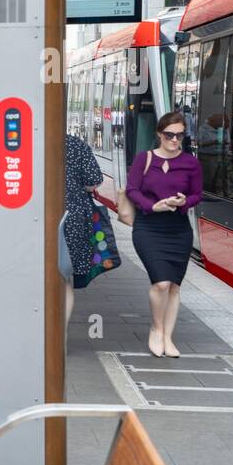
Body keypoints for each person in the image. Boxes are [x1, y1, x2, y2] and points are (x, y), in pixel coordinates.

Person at [125, 112, 202, 359]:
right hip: (149, 228)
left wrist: (183, 201)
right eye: (170, 135)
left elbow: (197, 195)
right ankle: (156, 329)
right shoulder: (143, 159)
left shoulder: (191, 163)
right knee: (161, 283)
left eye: (180, 135)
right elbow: (131, 190)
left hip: (178, 230)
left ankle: (168, 337)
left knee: (174, 287)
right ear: (160, 134)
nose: (175, 140)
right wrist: (152, 206)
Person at [63, 132, 119, 327]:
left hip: (33, 217)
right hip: (73, 218)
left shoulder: (27, 143)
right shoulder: (74, 144)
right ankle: (60, 335)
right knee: (63, 277)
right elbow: (92, 181)